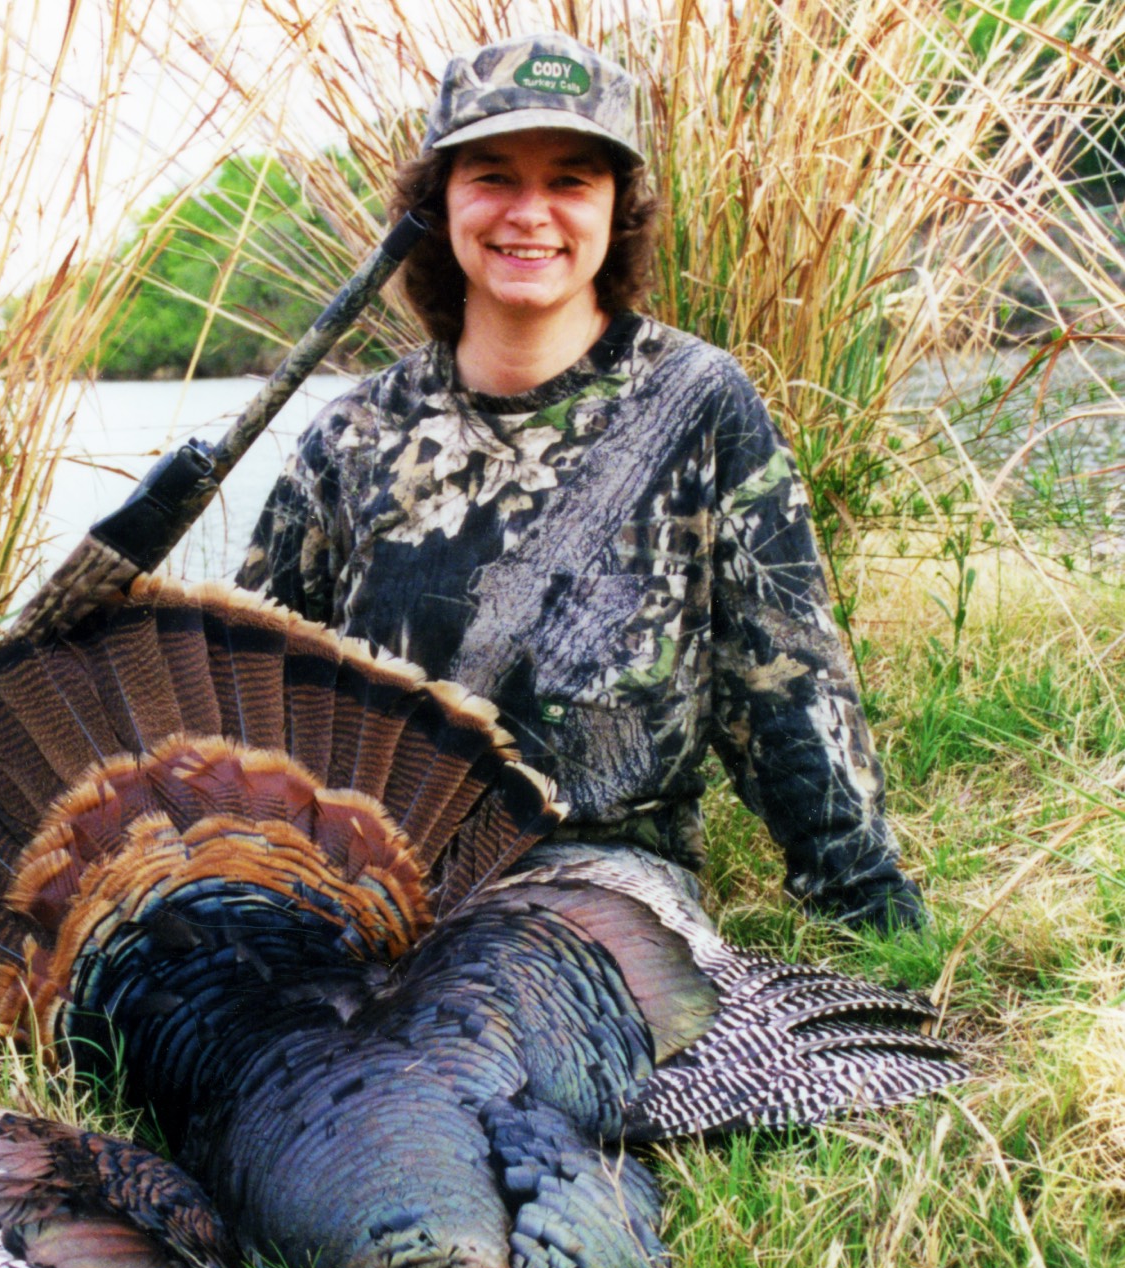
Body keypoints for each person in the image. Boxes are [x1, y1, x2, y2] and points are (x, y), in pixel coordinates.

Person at [238, 31, 925, 933]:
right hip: (379, 885)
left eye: (570, 180)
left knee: (481, 1036)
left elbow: (784, 687)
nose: (531, 213)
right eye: (492, 176)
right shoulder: (353, 435)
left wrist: (870, 907)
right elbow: (249, 697)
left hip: (603, 882)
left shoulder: (699, 402)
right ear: (438, 204)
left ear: (616, 210)